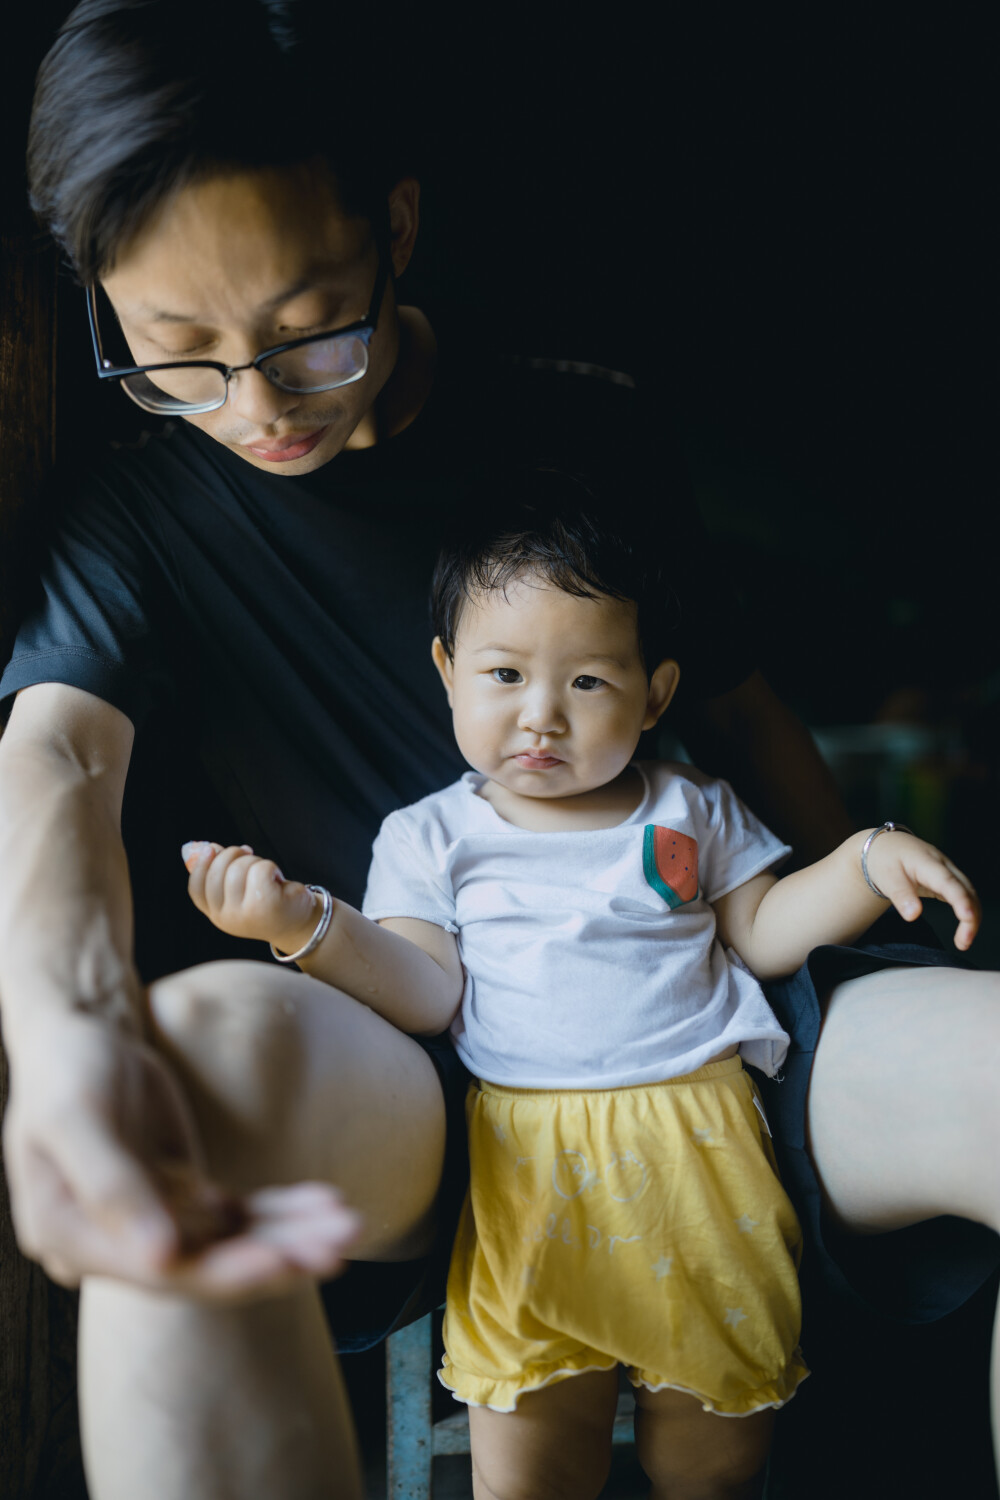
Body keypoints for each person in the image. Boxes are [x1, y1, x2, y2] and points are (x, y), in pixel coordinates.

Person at [0, 3, 997, 1497]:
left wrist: (870, 916)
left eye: (304, 328)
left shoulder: (576, 431)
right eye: (179, 357)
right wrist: (65, 1045)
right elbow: (58, 767)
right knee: (183, 1079)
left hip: (710, 1010)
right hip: (407, 1058)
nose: (256, 409)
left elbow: (734, 712)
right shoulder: (134, 522)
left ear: (393, 225)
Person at [177, 493, 980, 1498]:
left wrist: (862, 861)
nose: (540, 715)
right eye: (504, 675)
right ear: (447, 673)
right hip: (524, 1174)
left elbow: (763, 933)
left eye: (588, 679)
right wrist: (301, 926)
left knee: (711, 1458)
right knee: (530, 1459)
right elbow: (425, 991)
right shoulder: (431, 836)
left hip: (704, 1161)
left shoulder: (690, 806)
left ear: (654, 695)